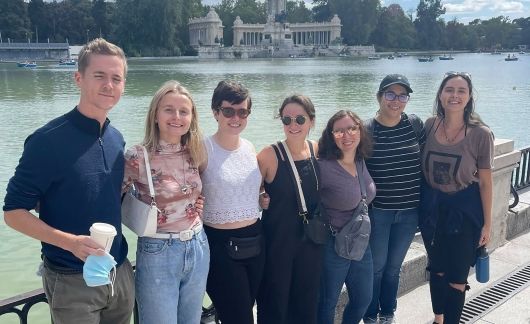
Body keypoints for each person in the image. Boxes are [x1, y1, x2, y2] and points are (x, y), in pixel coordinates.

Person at [3, 38, 134, 324]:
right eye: (99, 76)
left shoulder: (116, 139)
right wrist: (71, 243)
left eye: (116, 78)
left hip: (119, 270)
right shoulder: (46, 141)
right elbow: (13, 213)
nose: (108, 85)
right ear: (78, 78)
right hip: (71, 278)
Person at [122, 80, 209, 323]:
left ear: (192, 117)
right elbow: (110, 199)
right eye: (169, 109)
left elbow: (194, 192)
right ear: (156, 114)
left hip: (198, 245)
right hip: (158, 250)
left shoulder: (195, 151)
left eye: (184, 111)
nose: (177, 117)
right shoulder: (138, 156)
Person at [420, 72, 493, 324]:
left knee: (457, 278)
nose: (455, 95)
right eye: (449, 90)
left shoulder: (481, 134)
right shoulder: (429, 126)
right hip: (433, 212)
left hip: (464, 213)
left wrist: (487, 223)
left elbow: (485, 182)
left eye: (461, 91)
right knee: (437, 270)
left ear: (469, 96)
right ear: (440, 95)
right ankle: (438, 319)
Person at [200, 80, 265, 324]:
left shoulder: (249, 147)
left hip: (256, 242)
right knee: (239, 318)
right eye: (228, 111)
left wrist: (262, 198)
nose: (235, 117)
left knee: (243, 311)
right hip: (220, 247)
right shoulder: (202, 149)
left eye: (242, 112)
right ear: (215, 112)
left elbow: (250, 190)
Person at [363, 74, 424, 324]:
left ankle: (388, 312)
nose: (395, 100)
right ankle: (369, 314)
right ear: (379, 97)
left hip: (409, 212)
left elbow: (429, 159)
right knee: (376, 268)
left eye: (402, 95)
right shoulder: (367, 130)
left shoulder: (415, 124)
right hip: (379, 212)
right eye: (390, 94)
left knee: (393, 268)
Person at [257, 94, 323, 324]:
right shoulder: (268, 155)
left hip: (311, 244)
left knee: (306, 305)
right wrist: (261, 196)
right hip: (278, 246)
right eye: (287, 120)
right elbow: (248, 192)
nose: (293, 125)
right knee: (275, 306)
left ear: (312, 121)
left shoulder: (317, 150)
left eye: (300, 119)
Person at [317, 110, 376, 324]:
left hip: (360, 241)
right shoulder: (323, 167)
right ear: (331, 135)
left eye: (352, 128)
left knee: (363, 299)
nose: (347, 135)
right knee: (327, 302)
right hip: (333, 244)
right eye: (339, 131)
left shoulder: (360, 160)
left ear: (360, 131)